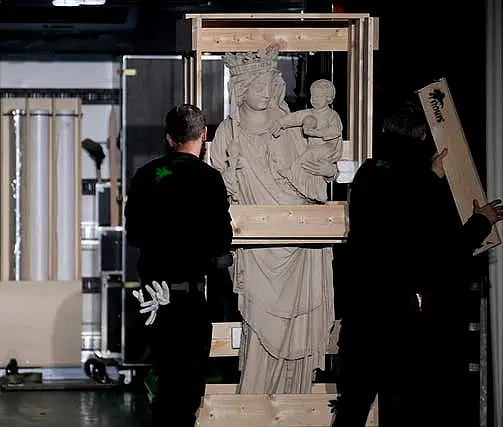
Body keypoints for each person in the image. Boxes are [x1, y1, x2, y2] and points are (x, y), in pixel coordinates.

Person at [331, 96, 503, 426]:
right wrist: (481, 221)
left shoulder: (369, 174)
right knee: (404, 408)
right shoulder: (419, 185)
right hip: (399, 320)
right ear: (423, 137)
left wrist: (429, 176)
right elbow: (443, 252)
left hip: (361, 315)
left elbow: (392, 207)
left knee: (352, 406)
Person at [208, 44, 337, 394]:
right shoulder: (229, 133)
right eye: (257, 87)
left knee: (296, 324)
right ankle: (255, 394)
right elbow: (216, 183)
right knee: (260, 320)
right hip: (257, 246)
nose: (265, 94)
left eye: (270, 86)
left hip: (295, 240)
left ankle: (291, 397)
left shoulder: (291, 128)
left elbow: (313, 178)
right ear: (240, 90)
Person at [124, 104, 233, 427]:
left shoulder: (146, 176)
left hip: (154, 298)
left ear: (169, 139)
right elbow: (221, 240)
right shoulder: (209, 179)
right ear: (204, 135)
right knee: (186, 390)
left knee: (164, 381)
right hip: (190, 296)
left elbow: (134, 235)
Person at [271, 78, 343, 202]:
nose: (314, 99)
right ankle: (312, 192)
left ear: (329, 99)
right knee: (310, 169)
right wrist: (280, 123)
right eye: (313, 96)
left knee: (309, 161)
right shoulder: (309, 114)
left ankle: (292, 173)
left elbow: (335, 130)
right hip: (314, 150)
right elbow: (295, 118)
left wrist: (317, 133)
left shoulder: (332, 115)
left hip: (327, 149)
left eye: (319, 97)